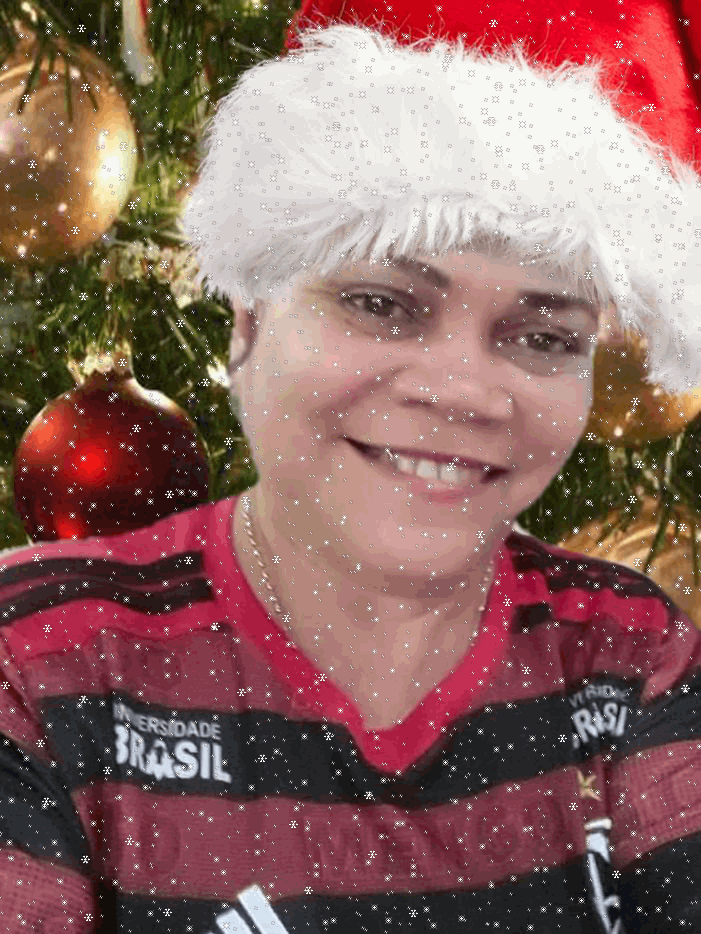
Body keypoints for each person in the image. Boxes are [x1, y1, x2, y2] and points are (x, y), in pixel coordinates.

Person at [1, 18, 701, 934]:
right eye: (380, 303)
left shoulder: (631, 652)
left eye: (542, 337)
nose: (462, 392)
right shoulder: (38, 657)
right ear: (249, 317)